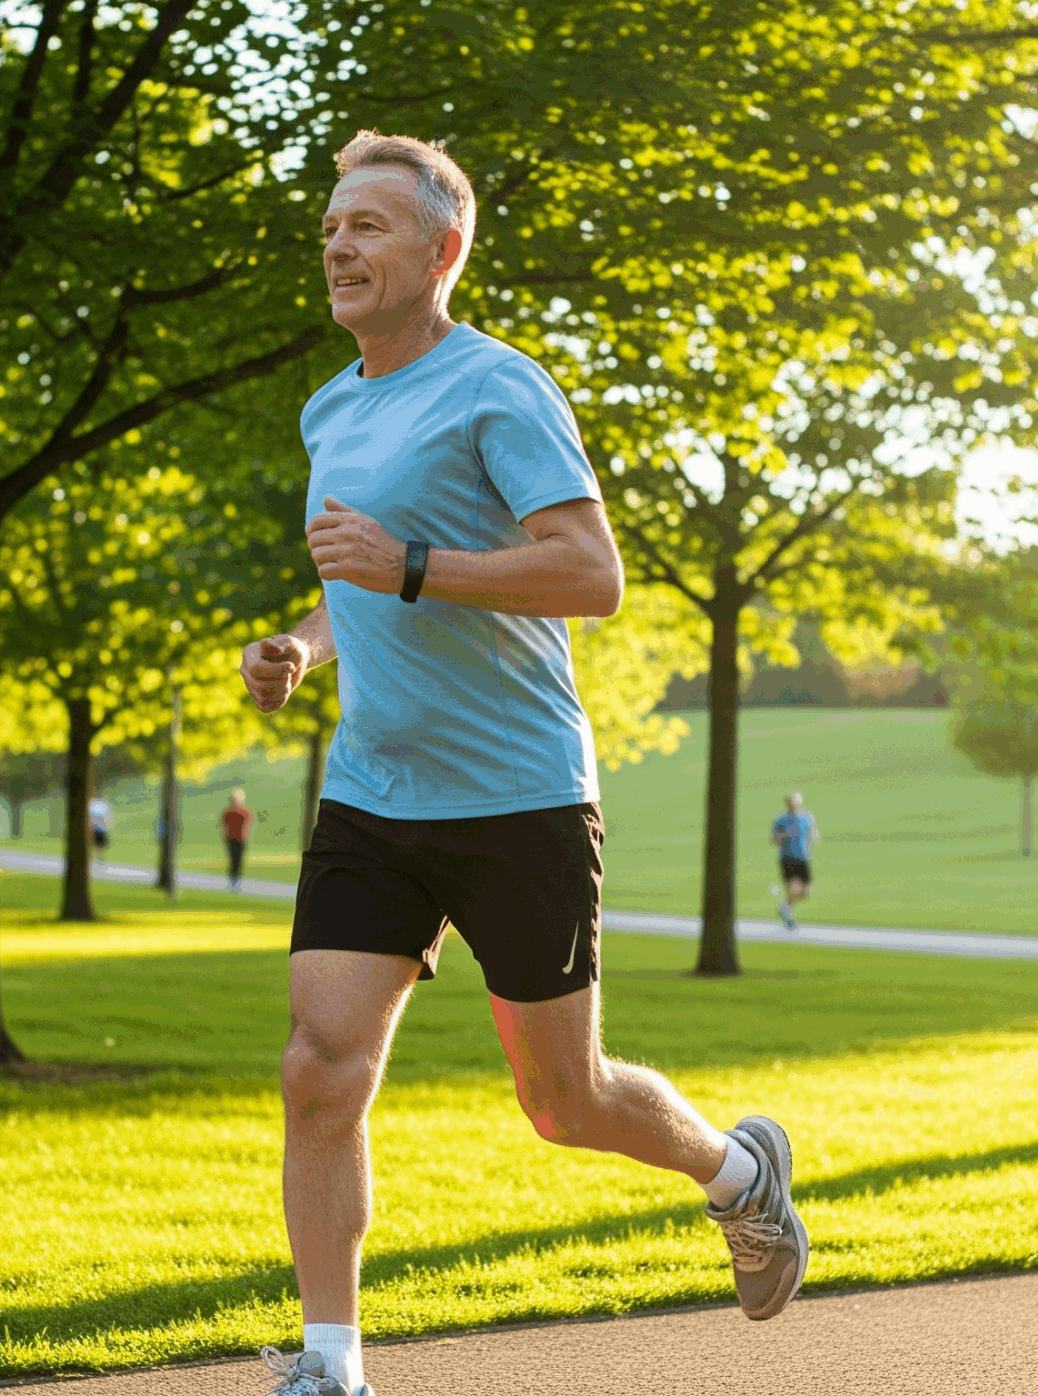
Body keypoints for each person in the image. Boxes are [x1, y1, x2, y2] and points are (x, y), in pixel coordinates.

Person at [235, 130, 810, 1396]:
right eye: (331, 225)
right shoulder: (331, 405)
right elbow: (360, 579)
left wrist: (415, 567)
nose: (338, 245)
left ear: (442, 252)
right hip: (374, 789)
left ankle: (736, 1174)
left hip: (520, 798)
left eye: (370, 225)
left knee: (562, 1101)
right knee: (317, 1067)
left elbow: (590, 574)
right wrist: (305, 642)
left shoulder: (501, 388)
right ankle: (330, 1365)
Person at [771, 792, 818, 931]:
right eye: (790, 802)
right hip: (788, 857)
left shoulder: (806, 817)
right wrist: (784, 835)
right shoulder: (782, 820)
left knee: (806, 891)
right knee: (792, 887)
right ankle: (789, 918)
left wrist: (812, 839)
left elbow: (812, 833)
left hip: (803, 856)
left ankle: (785, 907)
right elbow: (774, 839)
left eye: (795, 801)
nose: (793, 804)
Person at [221, 789, 256, 891]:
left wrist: (247, 834)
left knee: (239, 860)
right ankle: (233, 881)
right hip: (231, 838)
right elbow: (224, 825)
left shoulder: (245, 811)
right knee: (233, 859)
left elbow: (248, 824)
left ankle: (237, 881)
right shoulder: (228, 812)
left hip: (241, 838)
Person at [87, 795, 112, 867]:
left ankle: (95, 860)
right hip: (100, 828)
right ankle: (99, 860)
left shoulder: (92, 803)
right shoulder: (103, 804)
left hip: (95, 828)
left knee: (95, 845)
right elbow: (108, 816)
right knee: (99, 846)